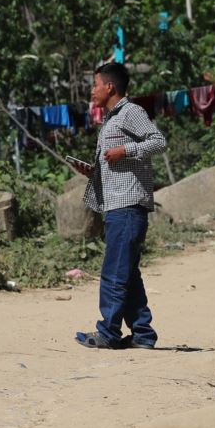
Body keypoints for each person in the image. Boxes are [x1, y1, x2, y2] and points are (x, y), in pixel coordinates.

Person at [69, 62, 167, 349]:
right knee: (128, 273)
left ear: (109, 86)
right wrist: (93, 171)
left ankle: (108, 332)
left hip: (128, 205)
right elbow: (116, 164)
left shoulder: (131, 112)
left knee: (114, 272)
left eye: (95, 84)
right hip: (116, 204)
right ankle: (143, 334)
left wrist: (125, 150)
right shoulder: (110, 120)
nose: (92, 90)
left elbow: (158, 141)